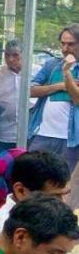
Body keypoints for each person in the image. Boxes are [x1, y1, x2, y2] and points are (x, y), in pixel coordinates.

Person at [28, 23, 79, 173]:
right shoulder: (52, 64)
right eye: (62, 43)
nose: (65, 49)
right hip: (43, 132)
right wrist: (59, 86)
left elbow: (77, 99)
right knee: (33, 176)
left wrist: (67, 73)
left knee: (64, 183)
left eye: (71, 44)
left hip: (71, 139)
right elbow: (30, 90)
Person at [0, 39, 25, 155]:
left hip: (29, 132)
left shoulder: (35, 71)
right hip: (4, 131)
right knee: (4, 165)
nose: (10, 59)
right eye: (7, 55)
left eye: (15, 55)